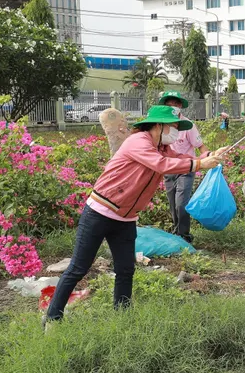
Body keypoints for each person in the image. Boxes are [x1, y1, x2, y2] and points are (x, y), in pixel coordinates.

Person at [45, 106, 223, 323]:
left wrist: (208, 156)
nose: (176, 131)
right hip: (100, 211)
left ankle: (122, 318)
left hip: (126, 218)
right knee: (78, 268)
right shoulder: (138, 141)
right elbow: (162, 165)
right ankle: (53, 318)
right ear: (158, 125)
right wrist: (199, 164)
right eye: (174, 126)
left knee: (125, 269)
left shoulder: (162, 147)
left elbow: (180, 157)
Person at [158, 91, 210, 243]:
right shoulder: (162, 125)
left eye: (175, 104)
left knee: (181, 203)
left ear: (180, 106)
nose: (173, 107)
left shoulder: (188, 126)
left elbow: (201, 146)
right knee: (173, 203)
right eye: (169, 104)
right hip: (169, 168)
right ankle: (177, 232)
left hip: (186, 169)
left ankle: (185, 235)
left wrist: (209, 157)